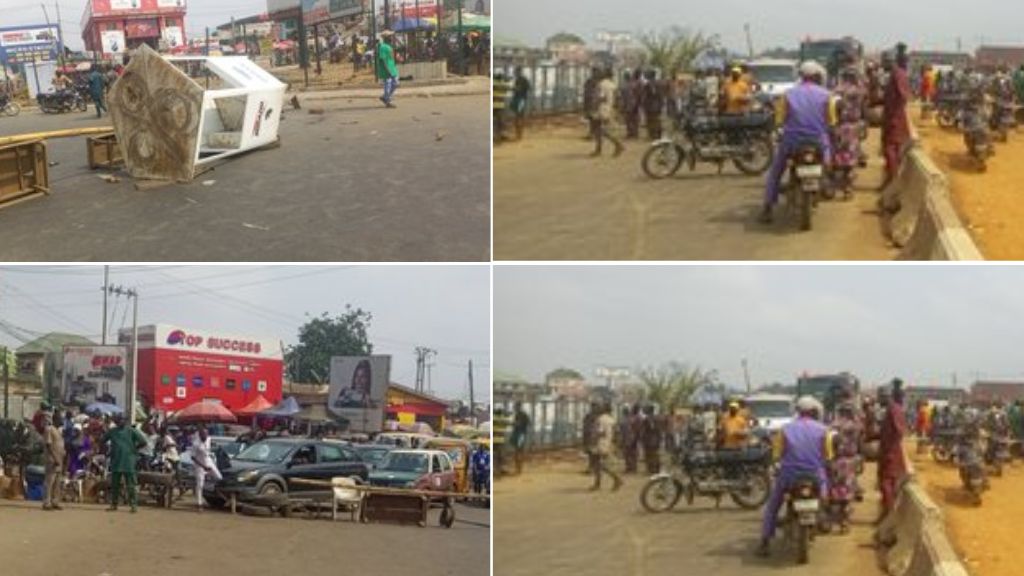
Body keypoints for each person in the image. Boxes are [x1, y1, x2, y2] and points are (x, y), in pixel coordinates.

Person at [761, 61, 836, 224]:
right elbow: (832, 121)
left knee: (776, 170)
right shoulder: (826, 95)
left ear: (800, 76)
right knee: (829, 161)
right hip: (818, 140)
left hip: (792, 141)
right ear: (816, 76)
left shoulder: (788, 94)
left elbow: (780, 119)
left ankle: (768, 206)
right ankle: (829, 185)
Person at [757, 396, 832, 556]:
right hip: (815, 475)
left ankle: (765, 541)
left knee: (773, 505)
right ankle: (825, 520)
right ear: (814, 412)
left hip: (789, 475)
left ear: (797, 411)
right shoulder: (824, 430)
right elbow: (828, 455)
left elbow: (777, 454)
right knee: (825, 496)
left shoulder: (785, 429)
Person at [102, 414, 147, 513]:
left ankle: (133, 505)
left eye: (123, 420)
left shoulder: (131, 431)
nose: (121, 422)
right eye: (119, 420)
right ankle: (114, 504)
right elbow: (103, 440)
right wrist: (107, 451)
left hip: (129, 461)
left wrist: (134, 449)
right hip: (116, 461)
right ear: (117, 421)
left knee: (131, 485)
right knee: (115, 485)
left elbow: (143, 441)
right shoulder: (112, 431)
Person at [881, 45, 911, 189]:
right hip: (890, 117)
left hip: (895, 119)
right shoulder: (894, 74)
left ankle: (894, 184)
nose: (882, 64)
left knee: (890, 149)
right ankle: (889, 181)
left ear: (889, 61)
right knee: (889, 150)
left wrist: (894, 114)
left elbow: (903, 96)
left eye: (884, 62)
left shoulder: (898, 74)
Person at [878, 379, 908, 519]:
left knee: (887, 485)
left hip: (891, 454)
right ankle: (886, 514)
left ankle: (890, 517)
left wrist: (891, 446)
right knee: (884, 484)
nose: (878, 399)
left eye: (880, 397)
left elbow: (900, 431)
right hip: (886, 453)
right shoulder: (890, 409)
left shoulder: (894, 409)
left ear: (886, 397)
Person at [592, 68, 624, 157]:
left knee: (602, 130)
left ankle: (618, 144)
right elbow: (618, 97)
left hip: (602, 109)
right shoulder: (613, 85)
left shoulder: (601, 84)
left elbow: (601, 97)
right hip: (610, 108)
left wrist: (594, 104)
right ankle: (598, 149)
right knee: (598, 130)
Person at [591, 403, 622, 491]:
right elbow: (617, 432)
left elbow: (600, 432)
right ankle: (597, 484)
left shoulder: (601, 419)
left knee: (601, 465)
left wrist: (593, 438)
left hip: (601, 444)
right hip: (608, 443)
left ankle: (617, 479)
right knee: (598, 465)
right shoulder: (612, 420)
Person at [191, 425, 223, 511]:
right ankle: (199, 504)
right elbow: (193, 457)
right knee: (200, 485)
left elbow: (209, 450)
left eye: (206, 434)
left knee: (219, 477)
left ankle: (210, 487)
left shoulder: (208, 439)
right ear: (200, 435)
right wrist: (203, 466)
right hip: (199, 465)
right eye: (203, 434)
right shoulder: (196, 444)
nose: (205, 436)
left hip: (209, 461)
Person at [42, 412, 66, 511]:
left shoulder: (58, 431)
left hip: (59, 459)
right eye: (60, 419)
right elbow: (49, 445)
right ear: (55, 419)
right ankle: (46, 503)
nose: (62, 421)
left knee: (57, 482)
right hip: (52, 459)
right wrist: (55, 457)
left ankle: (55, 501)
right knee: (50, 481)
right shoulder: (49, 429)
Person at [377, 32, 399, 108]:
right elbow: (383, 60)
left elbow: (391, 58)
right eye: (390, 36)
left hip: (392, 68)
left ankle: (385, 97)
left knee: (395, 83)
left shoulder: (389, 46)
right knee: (388, 84)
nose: (392, 37)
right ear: (386, 37)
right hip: (387, 69)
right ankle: (388, 101)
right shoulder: (382, 47)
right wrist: (387, 70)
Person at [642, 69, 665, 140]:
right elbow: (661, 95)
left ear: (650, 75)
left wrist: (644, 103)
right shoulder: (659, 83)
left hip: (651, 105)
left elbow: (652, 93)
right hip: (657, 104)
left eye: (648, 74)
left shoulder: (649, 84)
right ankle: (658, 135)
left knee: (651, 120)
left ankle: (653, 135)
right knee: (657, 120)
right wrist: (661, 104)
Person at [640, 404, 662, 474]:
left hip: (649, 440)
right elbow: (659, 430)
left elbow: (649, 428)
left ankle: (651, 470)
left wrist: (643, 438)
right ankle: (656, 469)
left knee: (649, 455)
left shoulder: (648, 419)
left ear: (649, 410)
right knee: (655, 455)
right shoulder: (657, 418)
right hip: (655, 439)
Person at [619, 70, 640, 139]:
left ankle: (630, 133)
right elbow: (638, 94)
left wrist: (622, 105)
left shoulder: (624, 86)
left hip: (628, 104)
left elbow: (622, 96)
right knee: (634, 119)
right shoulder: (634, 84)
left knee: (629, 119)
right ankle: (635, 133)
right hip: (635, 103)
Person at [510, 67, 531, 141]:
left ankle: (519, 134)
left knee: (519, 116)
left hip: (521, 100)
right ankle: (518, 133)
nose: (515, 74)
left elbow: (526, 88)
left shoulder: (523, 80)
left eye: (515, 72)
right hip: (518, 99)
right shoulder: (518, 80)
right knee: (518, 116)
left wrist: (517, 89)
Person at [510, 402, 530, 475]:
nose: (515, 409)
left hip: (521, 434)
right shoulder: (517, 415)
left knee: (519, 451)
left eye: (515, 407)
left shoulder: (523, 415)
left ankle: (519, 468)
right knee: (517, 451)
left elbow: (526, 423)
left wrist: (518, 424)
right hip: (517, 434)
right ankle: (518, 468)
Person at [618, 405, 639, 473]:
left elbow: (621, 431)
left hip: (627, 439)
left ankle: (629, 467)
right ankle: (634, 467)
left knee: (627, 454)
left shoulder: (623, 421)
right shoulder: (633, 419)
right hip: (634, 438)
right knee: (633, 453)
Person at [582, 68, 600, 141]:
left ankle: (593, 134)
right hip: (591, 102)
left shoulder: (593, 82)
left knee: (594, 119)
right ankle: (593, 134)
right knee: (592, 119)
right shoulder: (592, 81)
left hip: (593, 103)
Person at [493, 72, 510, 143]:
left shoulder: (493, 84)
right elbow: (507, 89)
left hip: (493, 106)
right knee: (501, 122)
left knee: (495, 122)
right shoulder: (502, 85)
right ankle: (500, 136)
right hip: (500, 106)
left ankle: (495, 136)